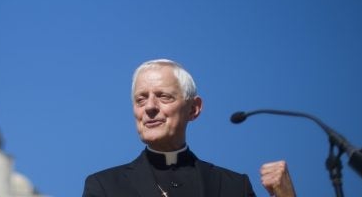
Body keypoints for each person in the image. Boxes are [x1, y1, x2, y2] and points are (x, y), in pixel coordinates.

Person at [82, 59, 296, 197]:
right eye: (140, 99)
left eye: (163, 96)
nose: (149, 107)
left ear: (194, 108)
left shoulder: (233, 187)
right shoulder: (105, 187)